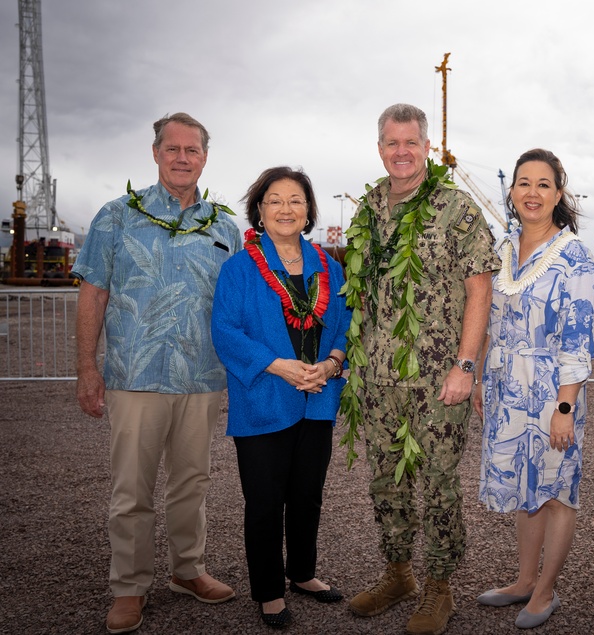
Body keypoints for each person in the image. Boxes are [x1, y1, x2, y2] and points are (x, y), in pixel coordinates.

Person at [72, 113, 240, 634]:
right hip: (134, 375)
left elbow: (238, 304)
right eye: (173, 149)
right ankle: (129, 586)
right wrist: (86, 368)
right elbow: (93, 292)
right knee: (132, 488)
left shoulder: (224, 225)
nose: (182, 157)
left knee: (192, 481)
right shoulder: (118, 216)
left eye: (192, 150)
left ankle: (187, 570)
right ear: (155, 153)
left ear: (205, 157)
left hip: (201, 376)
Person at [343, 103, 500, 635]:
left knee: (436, 483)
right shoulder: (367, 210)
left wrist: (465, 365)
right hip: (378, 376)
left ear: (427, 147)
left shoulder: (456, 209)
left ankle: (439, 587)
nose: (401, 152)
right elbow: (361, 292)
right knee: (385, 481)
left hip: (438, 378)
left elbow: (480, 288)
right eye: (392, 143)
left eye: (411, 142)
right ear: (380, 148)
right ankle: (398, 573)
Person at [211, 167, 351, 629]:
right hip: (264, 396)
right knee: (266, 500)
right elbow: (225, 331)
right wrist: (280, 366)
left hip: (317, 397)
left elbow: (345, 326)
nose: (286, 209)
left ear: (309, 210)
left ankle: (304, 573)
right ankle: (269, 591)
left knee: (307, 494)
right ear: (260, 210)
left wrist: (331, 364)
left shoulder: (329, 267)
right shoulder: (239, 268)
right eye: (275, 200)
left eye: (296, 200)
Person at [472, 149, 594, 629]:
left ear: (558, 193)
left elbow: (580, 338)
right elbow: (490, 321)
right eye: (523, 183)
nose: (532, 192)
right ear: (511, 192)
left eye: (543, 184)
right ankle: (524, 580)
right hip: (506, 386)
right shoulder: (503, 250)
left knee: (555, 492)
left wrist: (565, 406)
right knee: (524, 488)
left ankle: (546, 591)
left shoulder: (574, 258)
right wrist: (484, 381)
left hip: (552, 392)